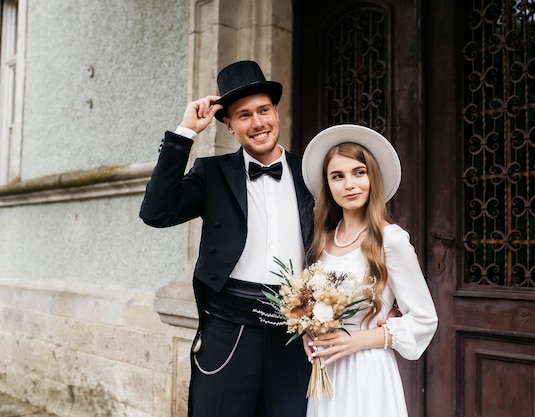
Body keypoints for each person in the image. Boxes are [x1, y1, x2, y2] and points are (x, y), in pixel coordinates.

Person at [140, 60, 314, 417]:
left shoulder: (311, 174)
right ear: (230, 125)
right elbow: (156, 212)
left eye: (264, 110)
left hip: (295, 334)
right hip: (228, 332)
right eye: (244, 115)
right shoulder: (212, 173)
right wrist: (185, 133)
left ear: (276, 113)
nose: (258, 122)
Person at [300, 124, 438, 417]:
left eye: (358, 172)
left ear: (372, 177)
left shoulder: (391, 239)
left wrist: (358, 340)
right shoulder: (321, 240)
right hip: (327, 375)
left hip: (368, 373)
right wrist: (307, 333)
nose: (349, 184)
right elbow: (311, 307)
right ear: (328, 185)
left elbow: (425, 319)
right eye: (338, 176)